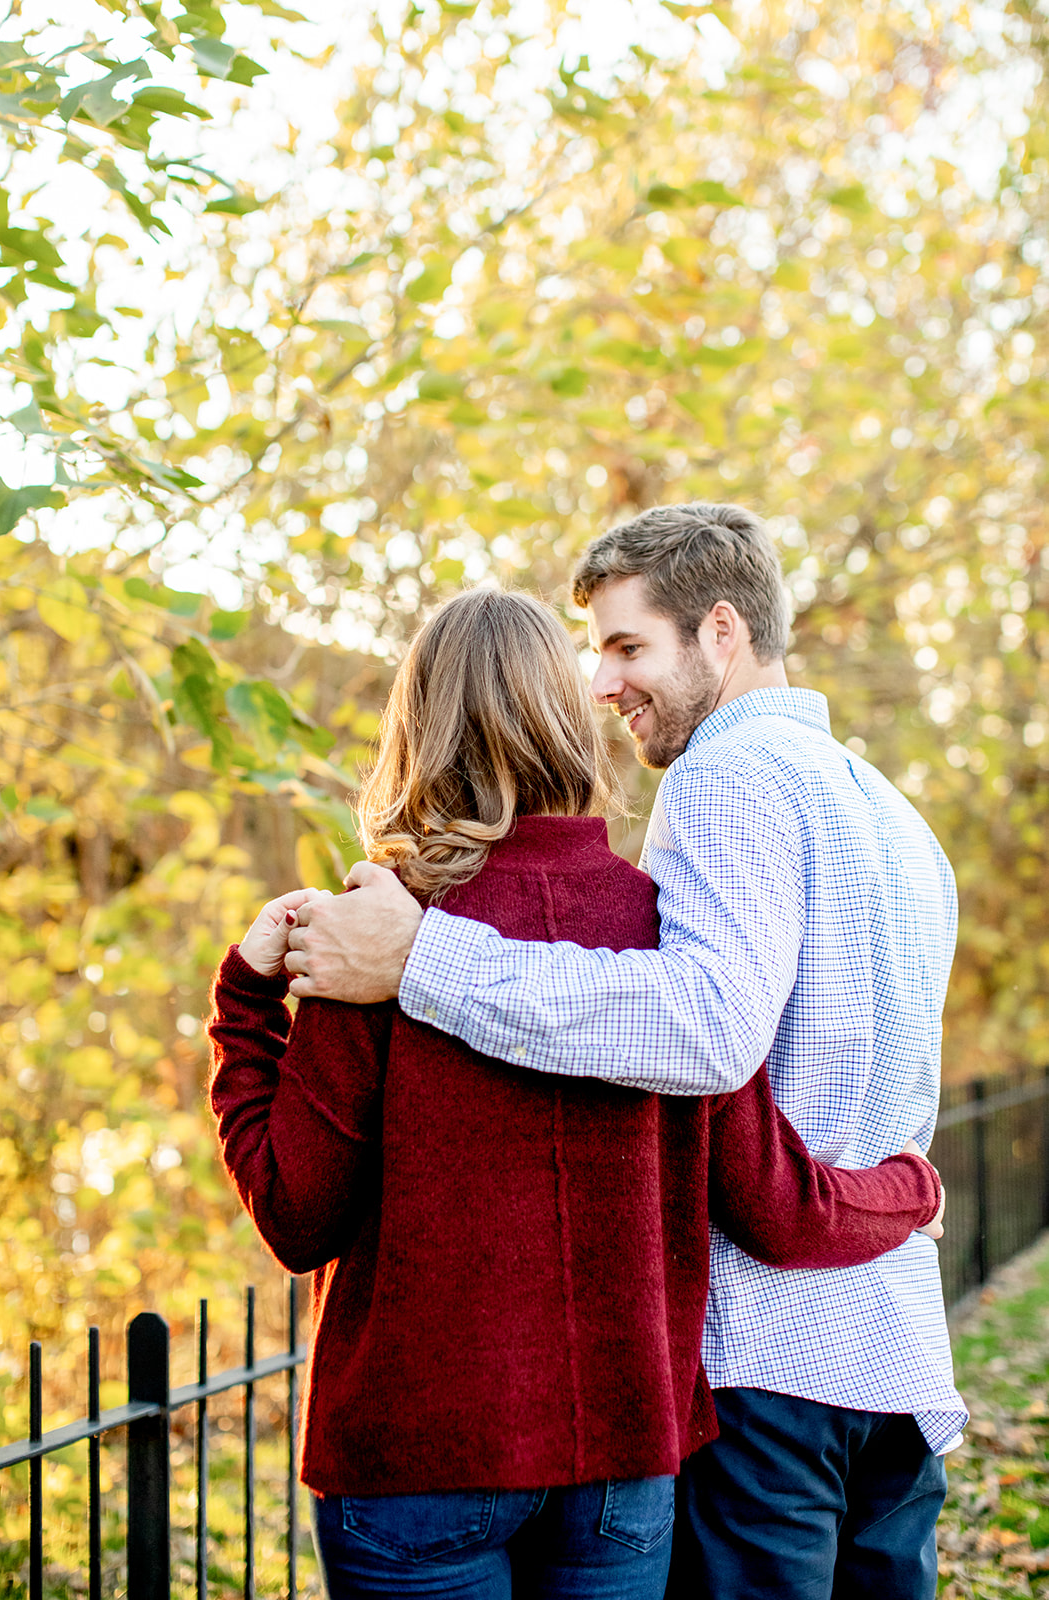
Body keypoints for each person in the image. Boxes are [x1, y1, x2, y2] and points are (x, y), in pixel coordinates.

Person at [283, 507, 967, 1600]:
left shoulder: (721, 779)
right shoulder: (893, 815)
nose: (604, 684)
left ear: (722, 632)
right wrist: (904, 1189)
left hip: (765, 1361)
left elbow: (701, 1032)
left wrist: (422, 958)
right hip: (889, 1354)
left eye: (626, 645)